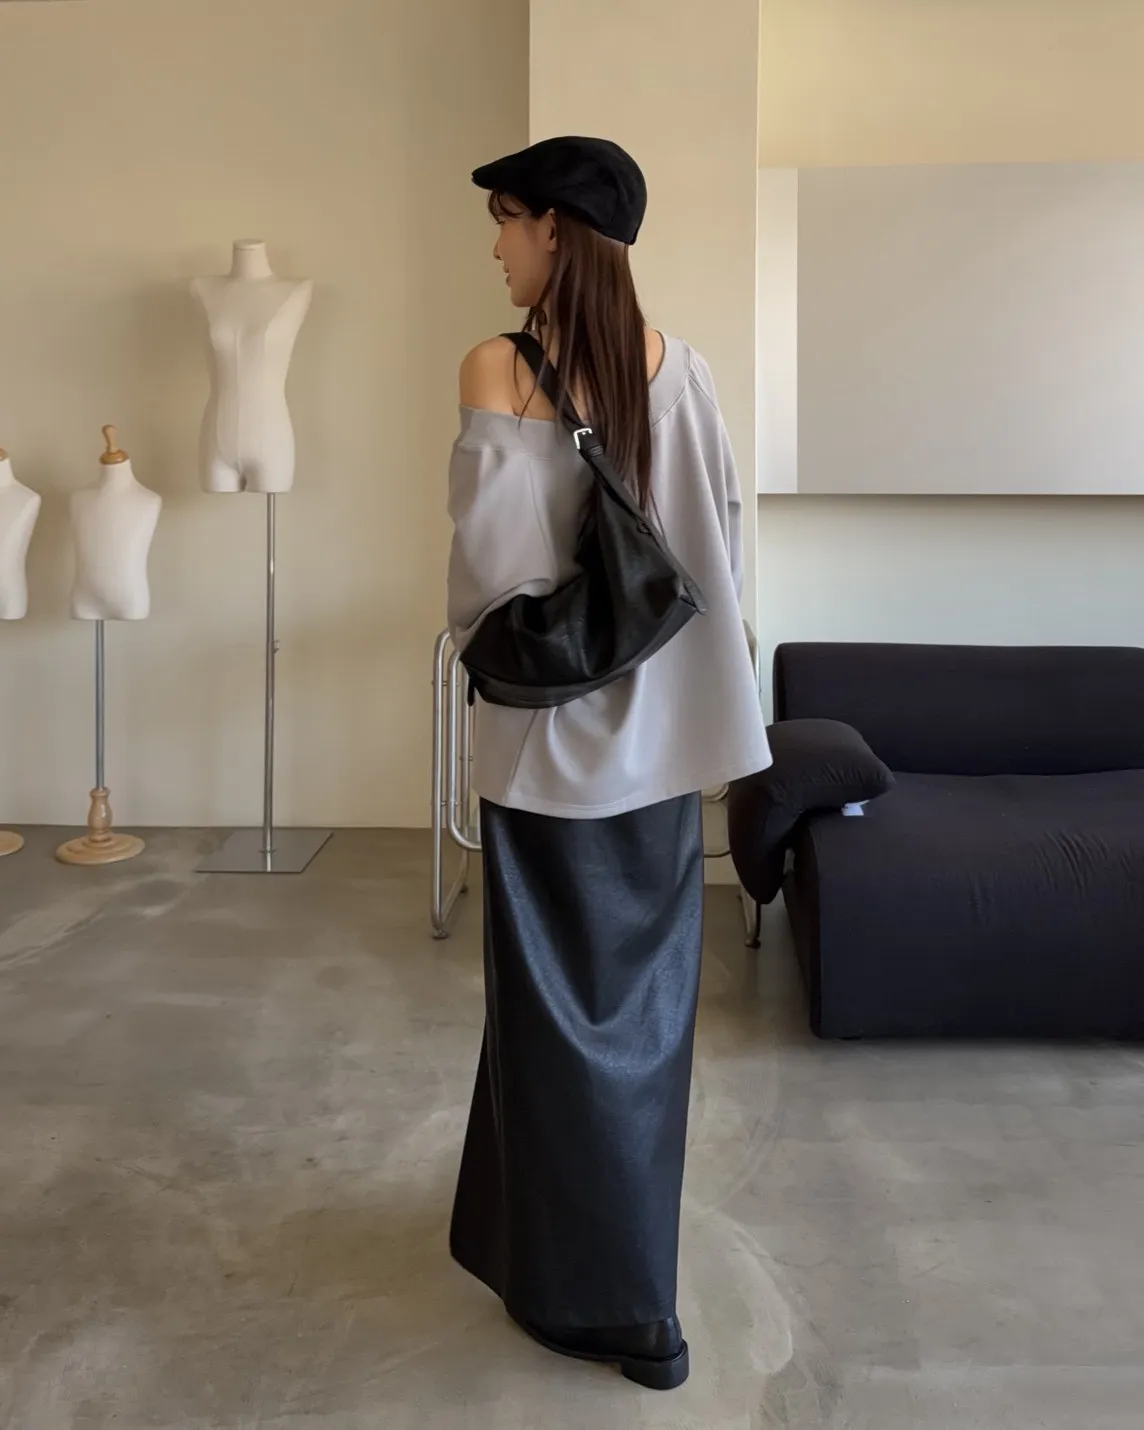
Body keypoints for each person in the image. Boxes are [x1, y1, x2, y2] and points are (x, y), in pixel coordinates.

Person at [446, 136, 771, 1392]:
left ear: (554, 231)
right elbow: (721, 553)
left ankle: (614, 1307)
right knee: (638, 1028)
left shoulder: (499, 367)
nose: (495, 245)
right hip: (663, 751)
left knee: (551, 1026)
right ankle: (583, 1264)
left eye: (506, 219)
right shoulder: (684, 372)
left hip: (549, 753)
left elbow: (497, 577)